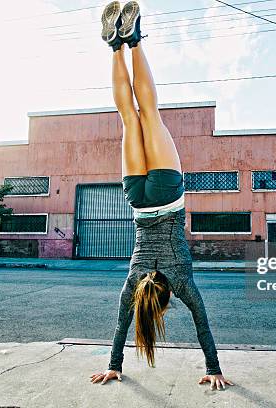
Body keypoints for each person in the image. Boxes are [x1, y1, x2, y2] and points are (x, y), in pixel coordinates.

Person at [90, 1, 233, 391]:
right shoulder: (133, 283)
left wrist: (215, 368)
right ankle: (116, 46)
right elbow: (121, 326)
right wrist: (113, 363)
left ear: (167, 297)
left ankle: (133, 41)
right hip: (136, 199)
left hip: (168, 195)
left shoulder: (182, 280)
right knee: (129, 115)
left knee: (149, 113)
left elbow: (202, 322)